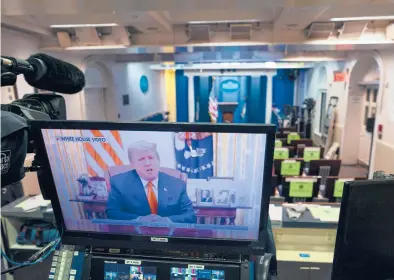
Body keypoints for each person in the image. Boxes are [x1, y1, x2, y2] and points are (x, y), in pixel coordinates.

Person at [106, 141, 196, 223]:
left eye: (151, 158)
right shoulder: (119, 183)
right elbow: (112, 213)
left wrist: (167, 220)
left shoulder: (177, 184)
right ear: (132, 164)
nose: (147, 163)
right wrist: (139, 220)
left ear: (158, 160)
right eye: (141, 159)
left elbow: (190, 216)